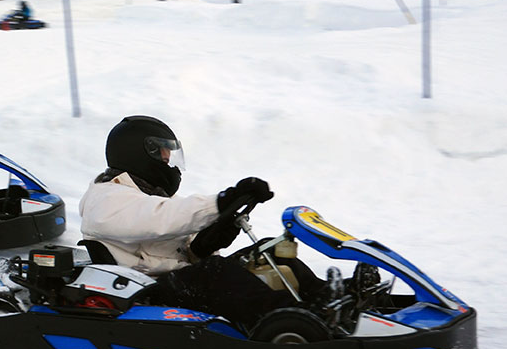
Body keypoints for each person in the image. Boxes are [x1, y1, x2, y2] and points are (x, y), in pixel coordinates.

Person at [78, 115, 331, 330]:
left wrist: (207, 242)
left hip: (180, 280)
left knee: (268, 252)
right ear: (139, 153)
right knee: (214, 272)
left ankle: (329, 301)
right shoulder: (106, 199)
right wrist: (220, 202)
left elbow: (176, 242)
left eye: (169, 150)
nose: (168, 157)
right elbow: (162, 217)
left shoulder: (149, 194)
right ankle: (294, 323)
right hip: (147, 291)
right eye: (161, 150)